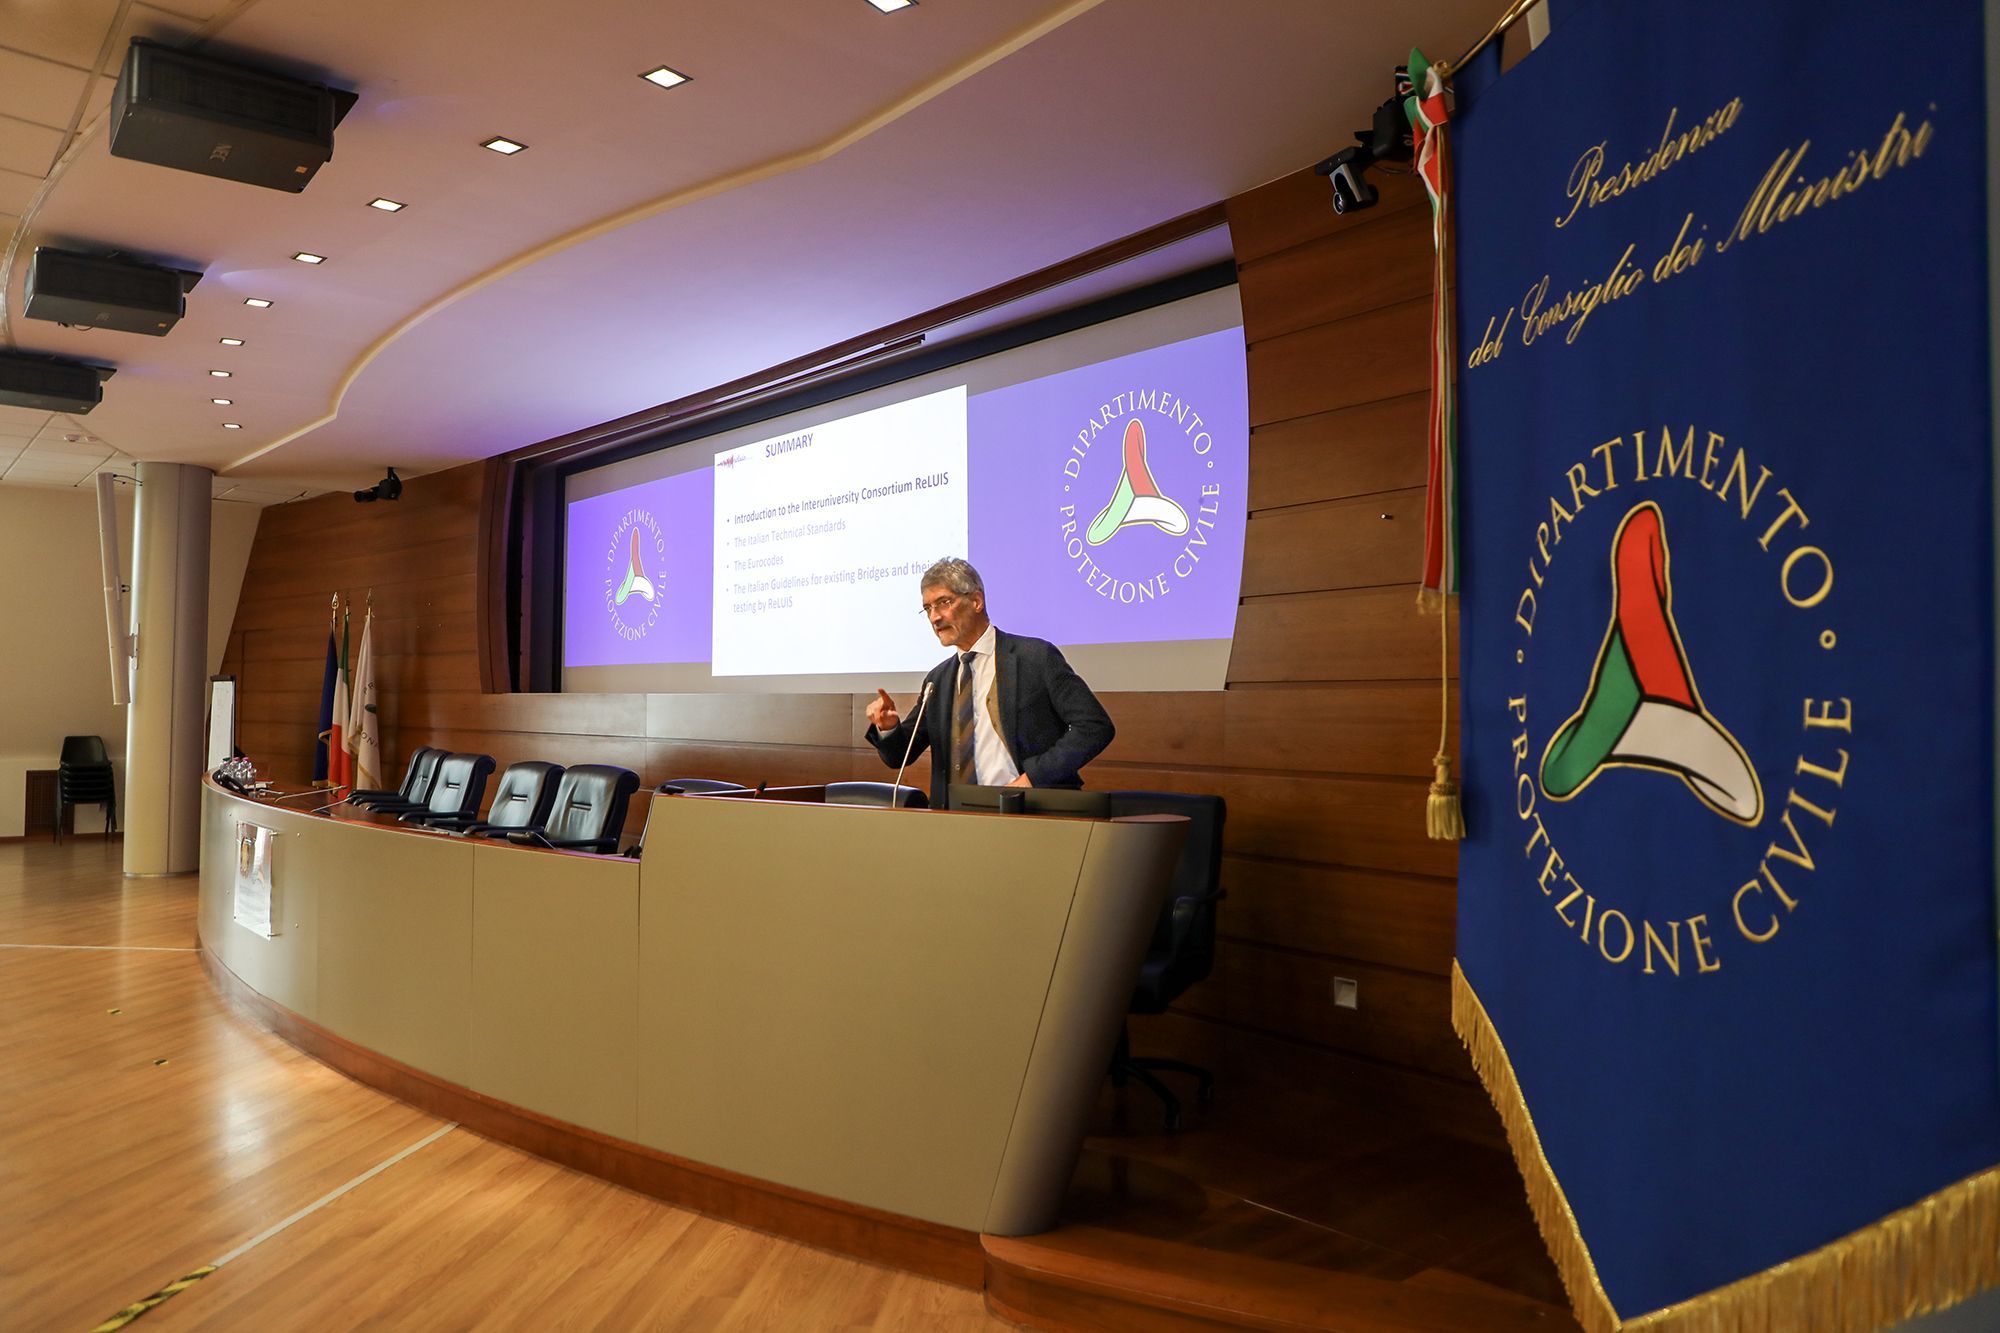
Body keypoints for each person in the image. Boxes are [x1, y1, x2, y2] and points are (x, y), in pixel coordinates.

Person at [865, 557, 1113, 808]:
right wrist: (889, 728)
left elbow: (1094, 727)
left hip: (1030, 809)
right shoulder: (937, 680)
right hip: (955, 817)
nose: (934, 617)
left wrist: (1033, 778)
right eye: (927, 608)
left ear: (976, 601)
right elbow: (899, 756)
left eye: (944, 603)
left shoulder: (1035, 658)